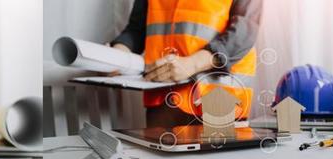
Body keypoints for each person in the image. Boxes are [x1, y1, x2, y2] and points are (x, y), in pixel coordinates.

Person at [110, 0, 262, 128]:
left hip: (219, 96)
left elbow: (245, 30)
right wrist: (116, 55)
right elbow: (137, 29)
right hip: (163, 96)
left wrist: (192, 64)